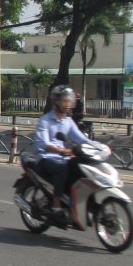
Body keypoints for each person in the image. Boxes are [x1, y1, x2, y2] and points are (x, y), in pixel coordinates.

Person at [31, 84, 90, 222]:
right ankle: (56, 206)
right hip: (45, 157)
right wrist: (62, 150)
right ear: (56, 101)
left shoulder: (68, 121)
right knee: (62, 170)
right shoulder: (45, 121)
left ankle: (72, 200)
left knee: (79, 168)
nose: (67, 104)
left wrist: (97, 146)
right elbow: (44, 144)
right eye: (65, 100)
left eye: (69, 101)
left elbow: (80, 138)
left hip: (63, 157)